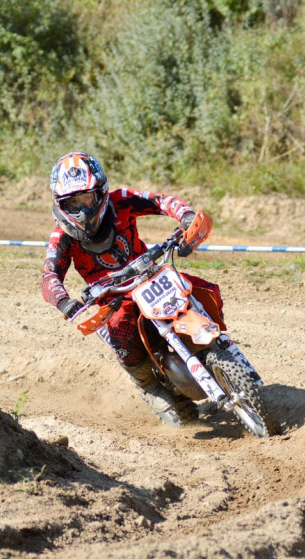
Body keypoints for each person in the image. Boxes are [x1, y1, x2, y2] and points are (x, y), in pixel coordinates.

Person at [41, 151, 223, 427]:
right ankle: (149, 386)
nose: (83, 209)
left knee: (204, 289)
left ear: (101, 192)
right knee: (122, 333)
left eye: (87, 198)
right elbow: (49, 276)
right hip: (113, 297)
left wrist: (185, 216)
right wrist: (65, 302)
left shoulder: (120, 200)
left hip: (152, 275)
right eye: (73, 202)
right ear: (60, 203)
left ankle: (218, 345)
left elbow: (159, 201)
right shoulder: (62, 237)